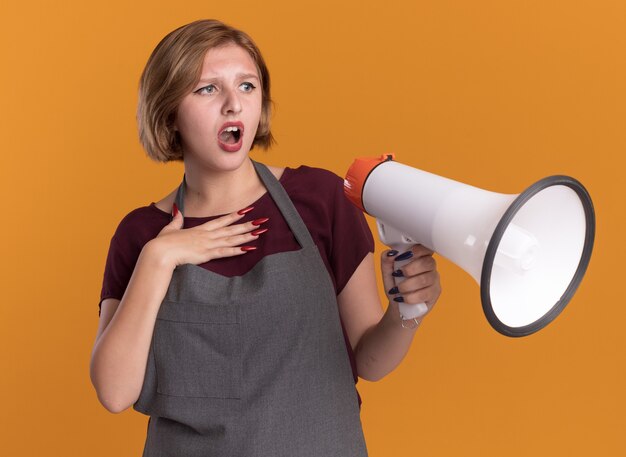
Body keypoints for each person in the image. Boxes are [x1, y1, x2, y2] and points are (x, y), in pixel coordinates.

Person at [89, 19, 441, 457]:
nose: (234, 105)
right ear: (169, 112)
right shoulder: (141, 234)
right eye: (207, 89)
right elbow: (115, 391)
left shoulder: (320, 199)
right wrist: (159, 259)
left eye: (248, 86)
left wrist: (407, 311)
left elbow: (368, 361)